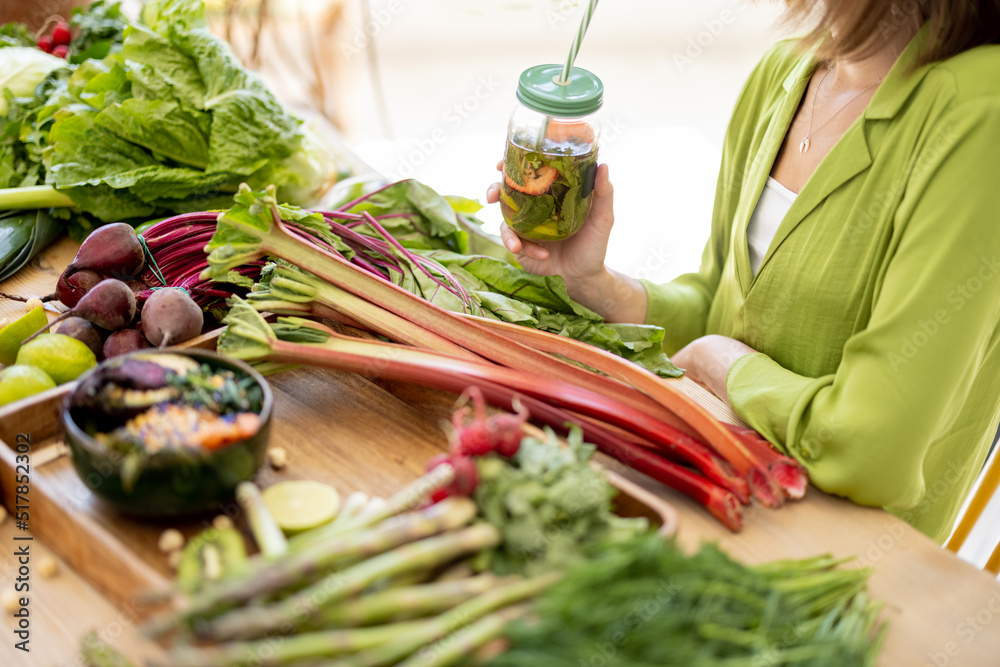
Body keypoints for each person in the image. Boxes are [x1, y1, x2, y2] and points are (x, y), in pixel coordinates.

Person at [486, 0, 1000, 544]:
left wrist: (719, 361)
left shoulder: (979, 111)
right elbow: (719, 303)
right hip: (709, 498)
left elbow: (873, 451)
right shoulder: (785, 72)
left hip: (832, 564)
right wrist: (598, 286)